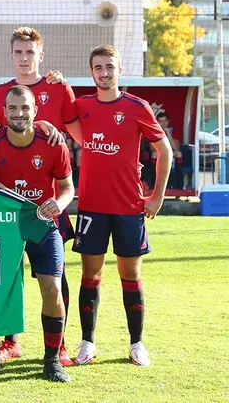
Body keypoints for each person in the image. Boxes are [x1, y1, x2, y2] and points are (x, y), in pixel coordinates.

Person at [65, 44, 172, 367]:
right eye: (98, 67)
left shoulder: (137, 107)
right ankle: (87, 343)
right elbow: (54, 113)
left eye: (110, 67)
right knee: (90, 275)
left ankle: (137, 343)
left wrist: (157, 196)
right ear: (91, 72)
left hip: (129, 207)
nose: (104, 73)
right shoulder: (81, 106)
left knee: (130, 274)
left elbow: (163, 150)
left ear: (119, 70)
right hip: (92, 207)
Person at [0, 85, 74, 383]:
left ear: (35, 110)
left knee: (53, 289)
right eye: (13, 108)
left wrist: (61, 202)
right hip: (0, 224)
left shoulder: (54, 143)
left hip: (40, 222)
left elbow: (68, 188)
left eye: (25, 108)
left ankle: (52, 361)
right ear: (4, 112)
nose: (19, 113)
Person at [0, 27, 76, 365]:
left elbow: (77, 130)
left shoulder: (57, 87)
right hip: (7, 212)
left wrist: (54, 129)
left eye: (30, 52)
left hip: (44, 206)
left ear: (41, 55)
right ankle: (10, 342)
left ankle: (59, 346)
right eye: (19, 53)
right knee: (8, 277)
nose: (24, 58)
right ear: (12, 56)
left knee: (54, 277)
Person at [155, 112, 183, 189]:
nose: (163, 124)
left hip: (171, 153)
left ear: (168, 121)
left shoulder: (173, 131)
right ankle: (155, 184)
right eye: (161, 121)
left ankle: (178, 184)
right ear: (157, 122)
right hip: (159, 154)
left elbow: (176, 148)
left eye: (165, 121)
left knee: (179, 154)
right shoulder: (155, 131)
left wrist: (169, 134)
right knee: (154, 154)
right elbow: (152, 149)